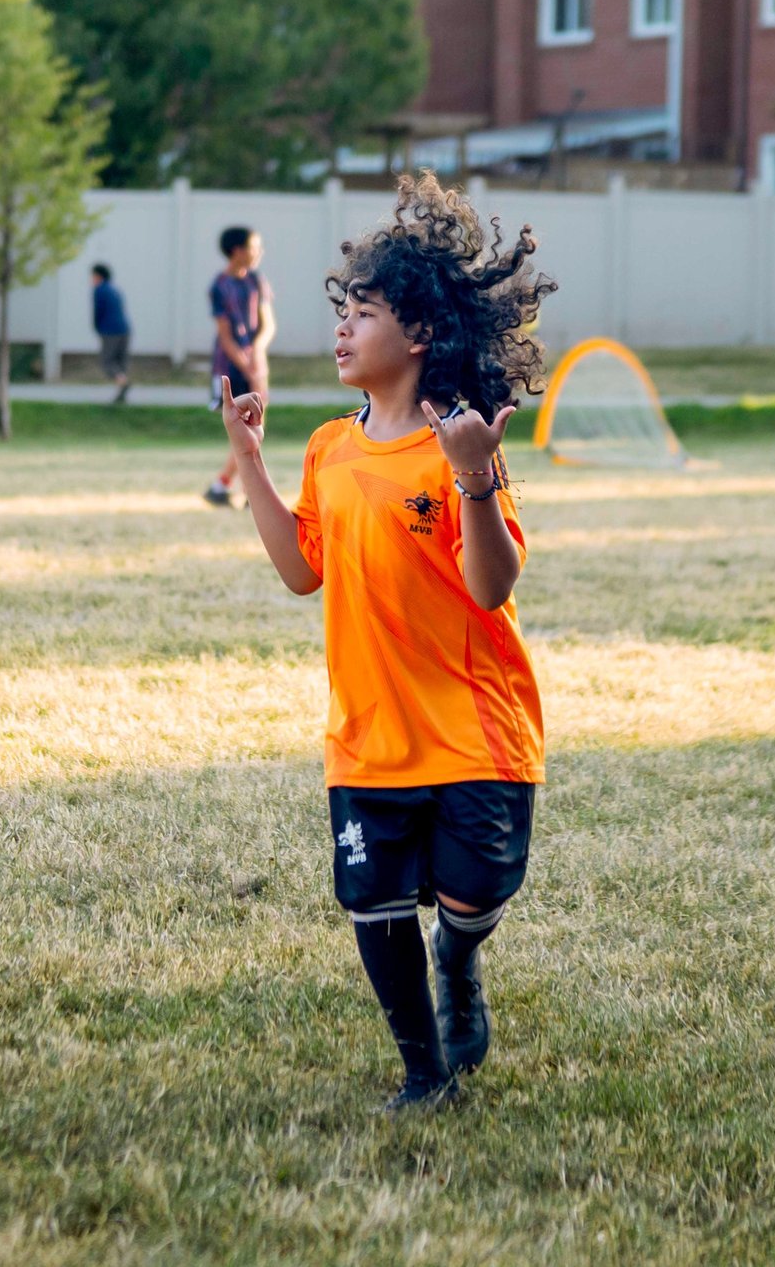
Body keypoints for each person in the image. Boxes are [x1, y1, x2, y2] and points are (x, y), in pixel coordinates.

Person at [219, 172, 554, 1111]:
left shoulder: (461, 448)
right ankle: (423, 1072)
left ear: (417, 335)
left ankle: (459, 954)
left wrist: (477, 479)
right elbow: (300, 569)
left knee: (475, 895)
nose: (340, 329)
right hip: (368, 734)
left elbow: (492, 586)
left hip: (474, 731)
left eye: (361, 314)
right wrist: (248, 455)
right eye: (342, 312)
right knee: (371, 907)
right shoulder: (329, 446)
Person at [203, 226, 275, 507]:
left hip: (256, 363)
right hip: (230, 366)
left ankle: (227, 488)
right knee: (242, 428)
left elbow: (268, 325)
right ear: (237, 250)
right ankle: (235, 490)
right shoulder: (219, 285)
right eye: (255, 246)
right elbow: (225, 335)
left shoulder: (257, 280)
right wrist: (247, 367)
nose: (259, 252)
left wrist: (257, 354)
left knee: (256, 426)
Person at [90, 263, 132, 404]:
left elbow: (98, 311)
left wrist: (97, 327)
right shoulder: (115, 290)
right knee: (120, 362)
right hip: (125, 329)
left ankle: (123, 383)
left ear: (98, 276)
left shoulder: (99, 290)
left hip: (110, 330)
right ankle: (121, 393)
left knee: (107, 361)